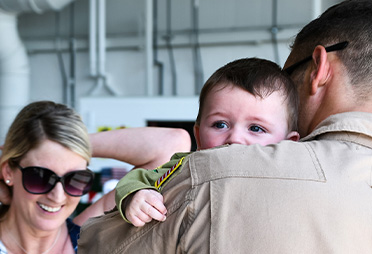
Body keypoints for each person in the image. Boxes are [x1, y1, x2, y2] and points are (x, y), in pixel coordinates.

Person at [76, 0, 372, 252]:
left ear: (319, 70)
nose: (235, 139)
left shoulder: (211, 177)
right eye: (220, 123)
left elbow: (94, 245)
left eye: (288, 78)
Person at [115, 57, 300, 226]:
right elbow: (137, 179)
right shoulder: (183, 165)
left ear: (289, 143)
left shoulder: (294, 181)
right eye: (220, 124)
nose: (234, 138)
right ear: (198, 135)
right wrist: (136, 196)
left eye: (256, 128)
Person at [0, 101, 190, 253]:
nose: (58, 196)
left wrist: (67, 146)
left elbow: (173, 144)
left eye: (74, 179)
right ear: (8, 170)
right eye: (40, 177)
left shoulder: (86, 238)